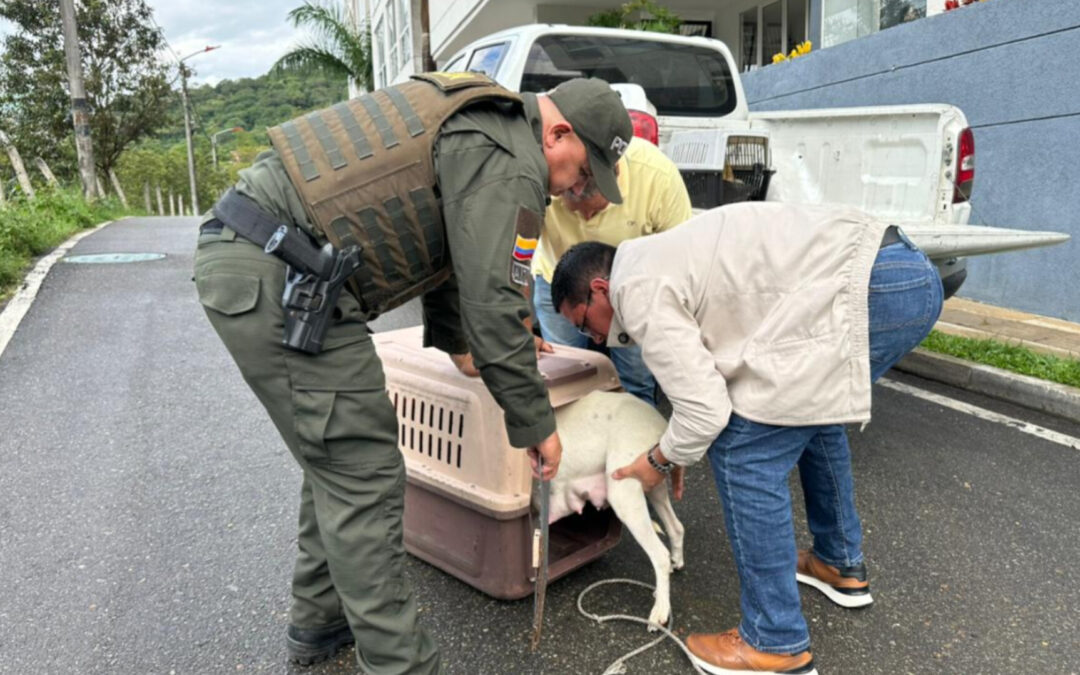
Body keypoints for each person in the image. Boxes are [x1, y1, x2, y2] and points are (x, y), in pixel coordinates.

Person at [194, 74, 633, 674]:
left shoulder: (484, 125)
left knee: (339, 458)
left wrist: (463, 348)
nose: (573, 191)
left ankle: (322, 619)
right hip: (278, 271)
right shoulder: (512, 160)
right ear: (557, 133)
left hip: (275, 260)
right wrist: (536, 423)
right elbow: (494, 304)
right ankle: (400, 664)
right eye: (580, 174)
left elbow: (453, 260)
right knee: (364, 473)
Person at [550, 201, 944, 675]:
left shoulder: (636, 290)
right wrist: (676, 444)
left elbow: (705, 411)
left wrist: (657, 460)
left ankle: (774, 640)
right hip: (895, 270)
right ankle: (838, 562)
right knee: (813, 413)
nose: (593, 338)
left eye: (583, 322)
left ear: (600, 289)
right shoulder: (654, 259)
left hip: (868, 287)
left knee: (743, 453)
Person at [530, 136, 692, 405]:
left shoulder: (656, 177)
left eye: (593, 211)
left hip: (635, 291)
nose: (586, 220)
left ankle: (636, 428)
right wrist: (522, 329)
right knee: (562, 382)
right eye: (576, 211)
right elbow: (511, 260)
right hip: (555, 283)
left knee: (636, 381)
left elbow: (681, 263)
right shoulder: (542, 179)